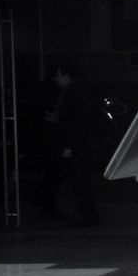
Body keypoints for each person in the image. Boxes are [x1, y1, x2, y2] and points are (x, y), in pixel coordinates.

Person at [34, 63, 101, 227]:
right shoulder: (75, 91)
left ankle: (88, 214)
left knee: (78, 180)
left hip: (72, 143)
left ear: (65, 75)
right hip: (73, 143)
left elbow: (76, 122)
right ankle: (87, 214)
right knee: (77, 179)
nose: (56, 78)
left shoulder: (73, 93)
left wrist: (69, 145)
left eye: (58, 75)